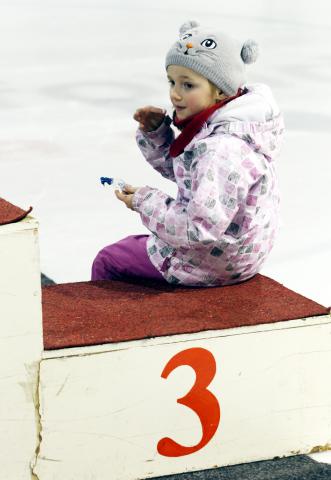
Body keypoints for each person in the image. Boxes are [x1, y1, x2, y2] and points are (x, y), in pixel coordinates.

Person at [91, 20, 284, 287]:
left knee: (110, 260)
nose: (174, 95)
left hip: (212, 262)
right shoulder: (228, 126)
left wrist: (145, 201)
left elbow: (198, 230)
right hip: (236, 253)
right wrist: (157, 133)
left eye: (188, 85)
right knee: (131, 247)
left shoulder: (221, 148)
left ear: (220, 90)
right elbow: (191, 175)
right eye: (172, 82)